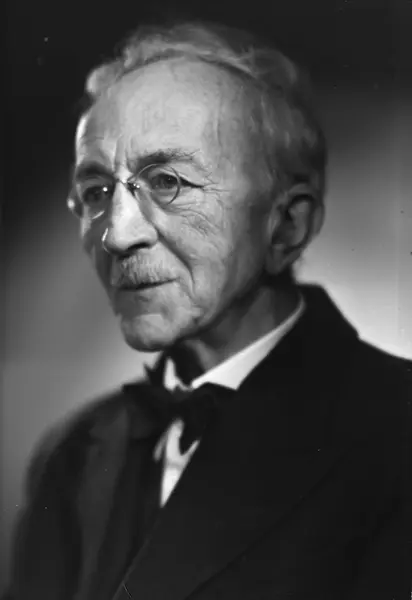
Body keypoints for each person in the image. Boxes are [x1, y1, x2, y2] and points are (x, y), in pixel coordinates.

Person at [4, 19, 411, 600]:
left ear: (287, 226)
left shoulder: (395, 431)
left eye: (167, 182)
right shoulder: (72, 454)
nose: (117, 234)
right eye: (97, 192)